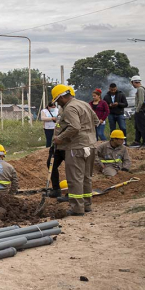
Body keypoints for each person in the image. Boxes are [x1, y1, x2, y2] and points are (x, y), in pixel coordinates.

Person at [51, 84, 99, 216]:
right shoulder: (84, 104)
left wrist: (60, 138)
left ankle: (77, 208)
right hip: (90, 145)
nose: (58, 104)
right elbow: (96, 121)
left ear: (62, 97)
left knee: (75, 179)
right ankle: (87, 205)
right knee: (86, 177)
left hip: (76, 147)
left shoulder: (69, 108)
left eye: (58, 100)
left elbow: (75, 127)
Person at [129, 75, 145, 148]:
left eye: (132, 83)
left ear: (134, 82)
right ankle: (137, 141)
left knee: (141, 127)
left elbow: (141, 101)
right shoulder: (141, 89)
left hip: (141, 111)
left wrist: (137, 110)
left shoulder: (140, 89)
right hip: (140, 111)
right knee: (137, 127)